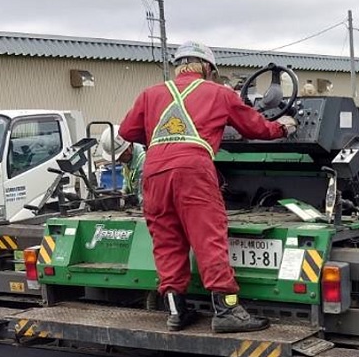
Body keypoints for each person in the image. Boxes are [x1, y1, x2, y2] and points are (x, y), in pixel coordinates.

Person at [119, 40, 297, 333]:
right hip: (192, 170)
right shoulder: (219, 93)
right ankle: (226, 311)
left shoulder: (151, 94)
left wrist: (161, 139)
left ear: (179, 66)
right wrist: (284, 127)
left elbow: (127, 131)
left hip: (154, 172)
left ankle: (177, 312)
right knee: (208, 238)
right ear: (208, 69)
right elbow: (255, 128)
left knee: (166, 241)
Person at [98, 126, 146, 207]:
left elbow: (144, 199)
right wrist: (121, 194)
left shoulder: (144, 162)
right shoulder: (129, 162)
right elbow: (127, 183)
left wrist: (131, 200)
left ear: (128, 149)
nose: (118, 161)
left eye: (119, 157)